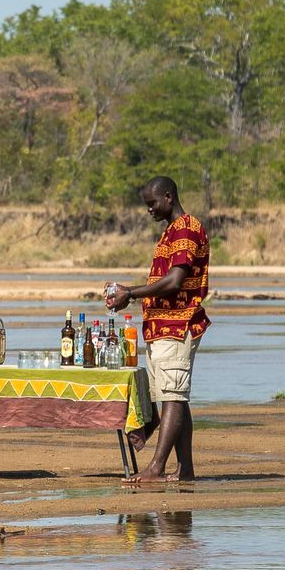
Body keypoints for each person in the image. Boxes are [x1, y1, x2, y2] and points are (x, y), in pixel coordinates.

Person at [104, 176, 210, 483]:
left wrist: (131, 293)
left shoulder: (186, 229)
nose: (149, 210)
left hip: (178, 324)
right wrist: (130, 296)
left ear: (168, 197)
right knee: (174, 395)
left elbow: (176, 281)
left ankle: (157, 467)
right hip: (163, 326)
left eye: (152, 204)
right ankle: (185, 468)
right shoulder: (170, 232)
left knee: (173, 397)